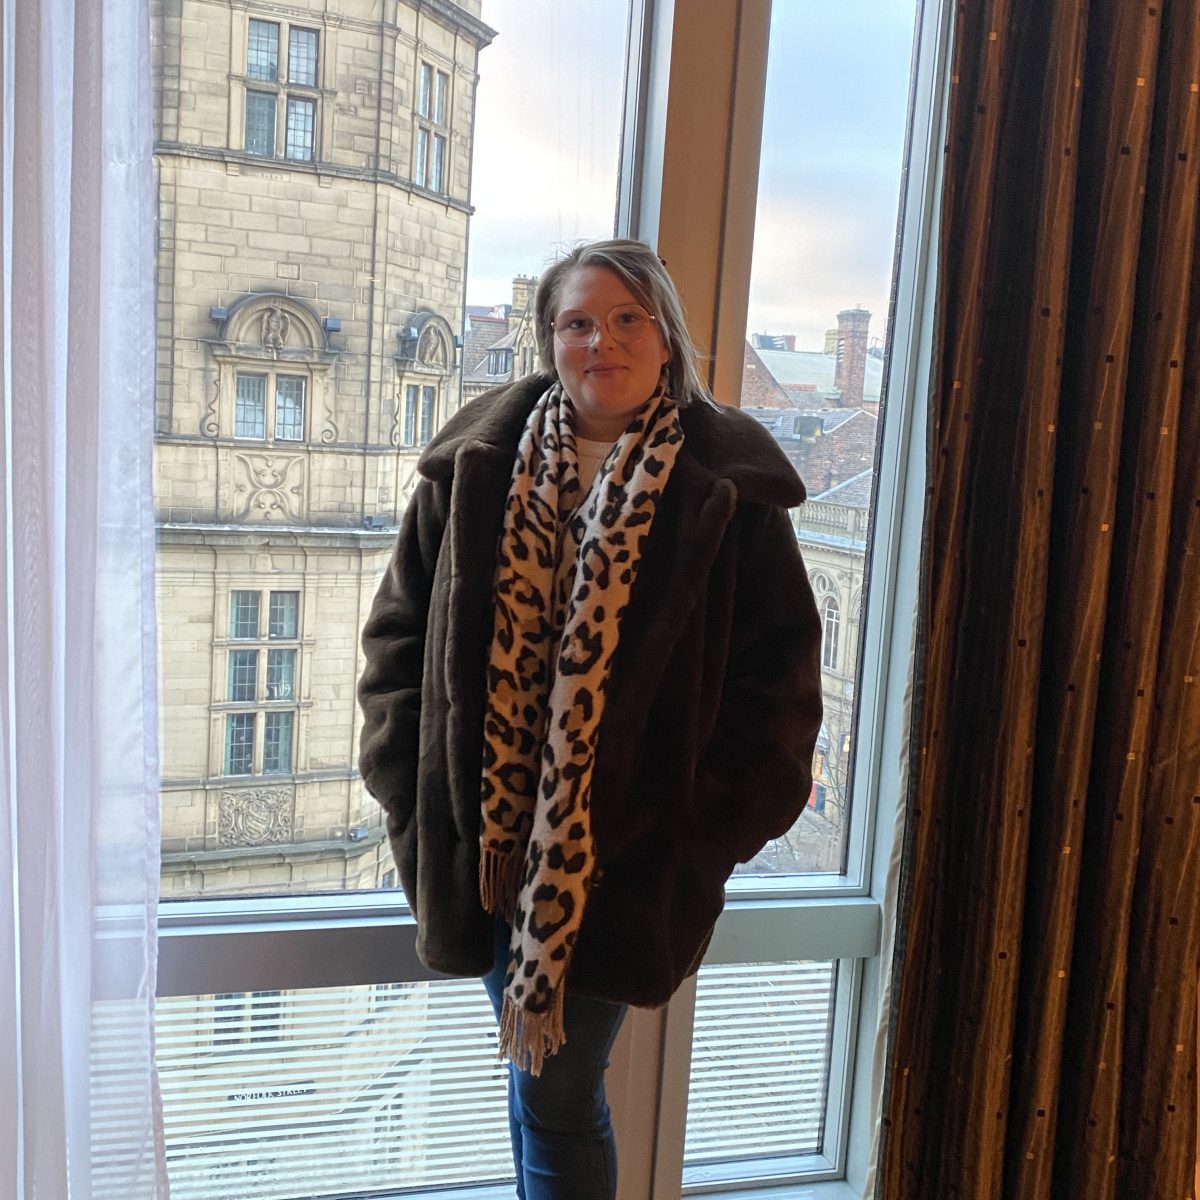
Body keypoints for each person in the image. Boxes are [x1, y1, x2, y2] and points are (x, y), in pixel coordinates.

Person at [357, 239, 823, 1200]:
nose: (600, 341)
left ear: (666, 339)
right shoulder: (474, 469)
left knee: (557, 1092)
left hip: (625, 866)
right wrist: (410, 786)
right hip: (485, 851)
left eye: (625, 320)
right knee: (538, 1090)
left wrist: (695, 831)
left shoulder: (726, 490)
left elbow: (780, 690)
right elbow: (397, 640)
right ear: (549, 339)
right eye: (577, 322)